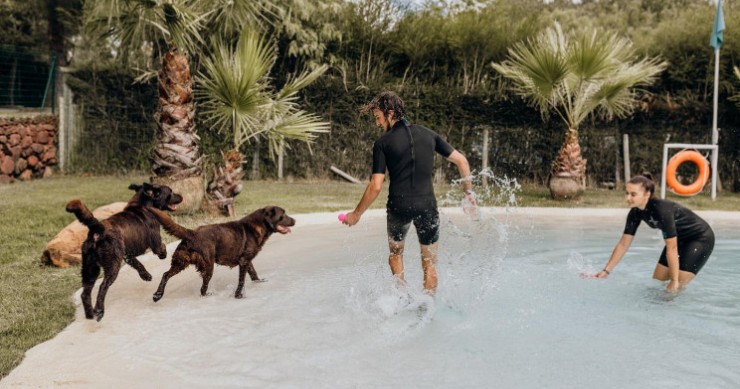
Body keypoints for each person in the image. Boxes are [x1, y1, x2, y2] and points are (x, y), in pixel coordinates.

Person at [341, 91, 477, 296]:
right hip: (427, 206)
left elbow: (376, 185)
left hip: (398, 207)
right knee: (430, 262)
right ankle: (427, 309)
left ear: (390, 113)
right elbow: (462, 161)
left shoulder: (383, 143)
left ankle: (402, 297)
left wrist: (356, 214)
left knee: (395, 254)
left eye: (378, 118)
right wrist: (468, 194)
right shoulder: (430, 135)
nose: (378, 124)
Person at [594, 173, 715, 292]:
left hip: (699, 238)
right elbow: (623, 244)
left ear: (647, 194)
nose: (627, 198)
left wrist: (674, 281)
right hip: (678, 238)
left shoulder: (662, 210)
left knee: (676, 287)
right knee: (657, 283)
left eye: (633, 194)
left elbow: (671, 247)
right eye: (627, 193)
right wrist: (606, 271)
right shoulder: (635, 213)